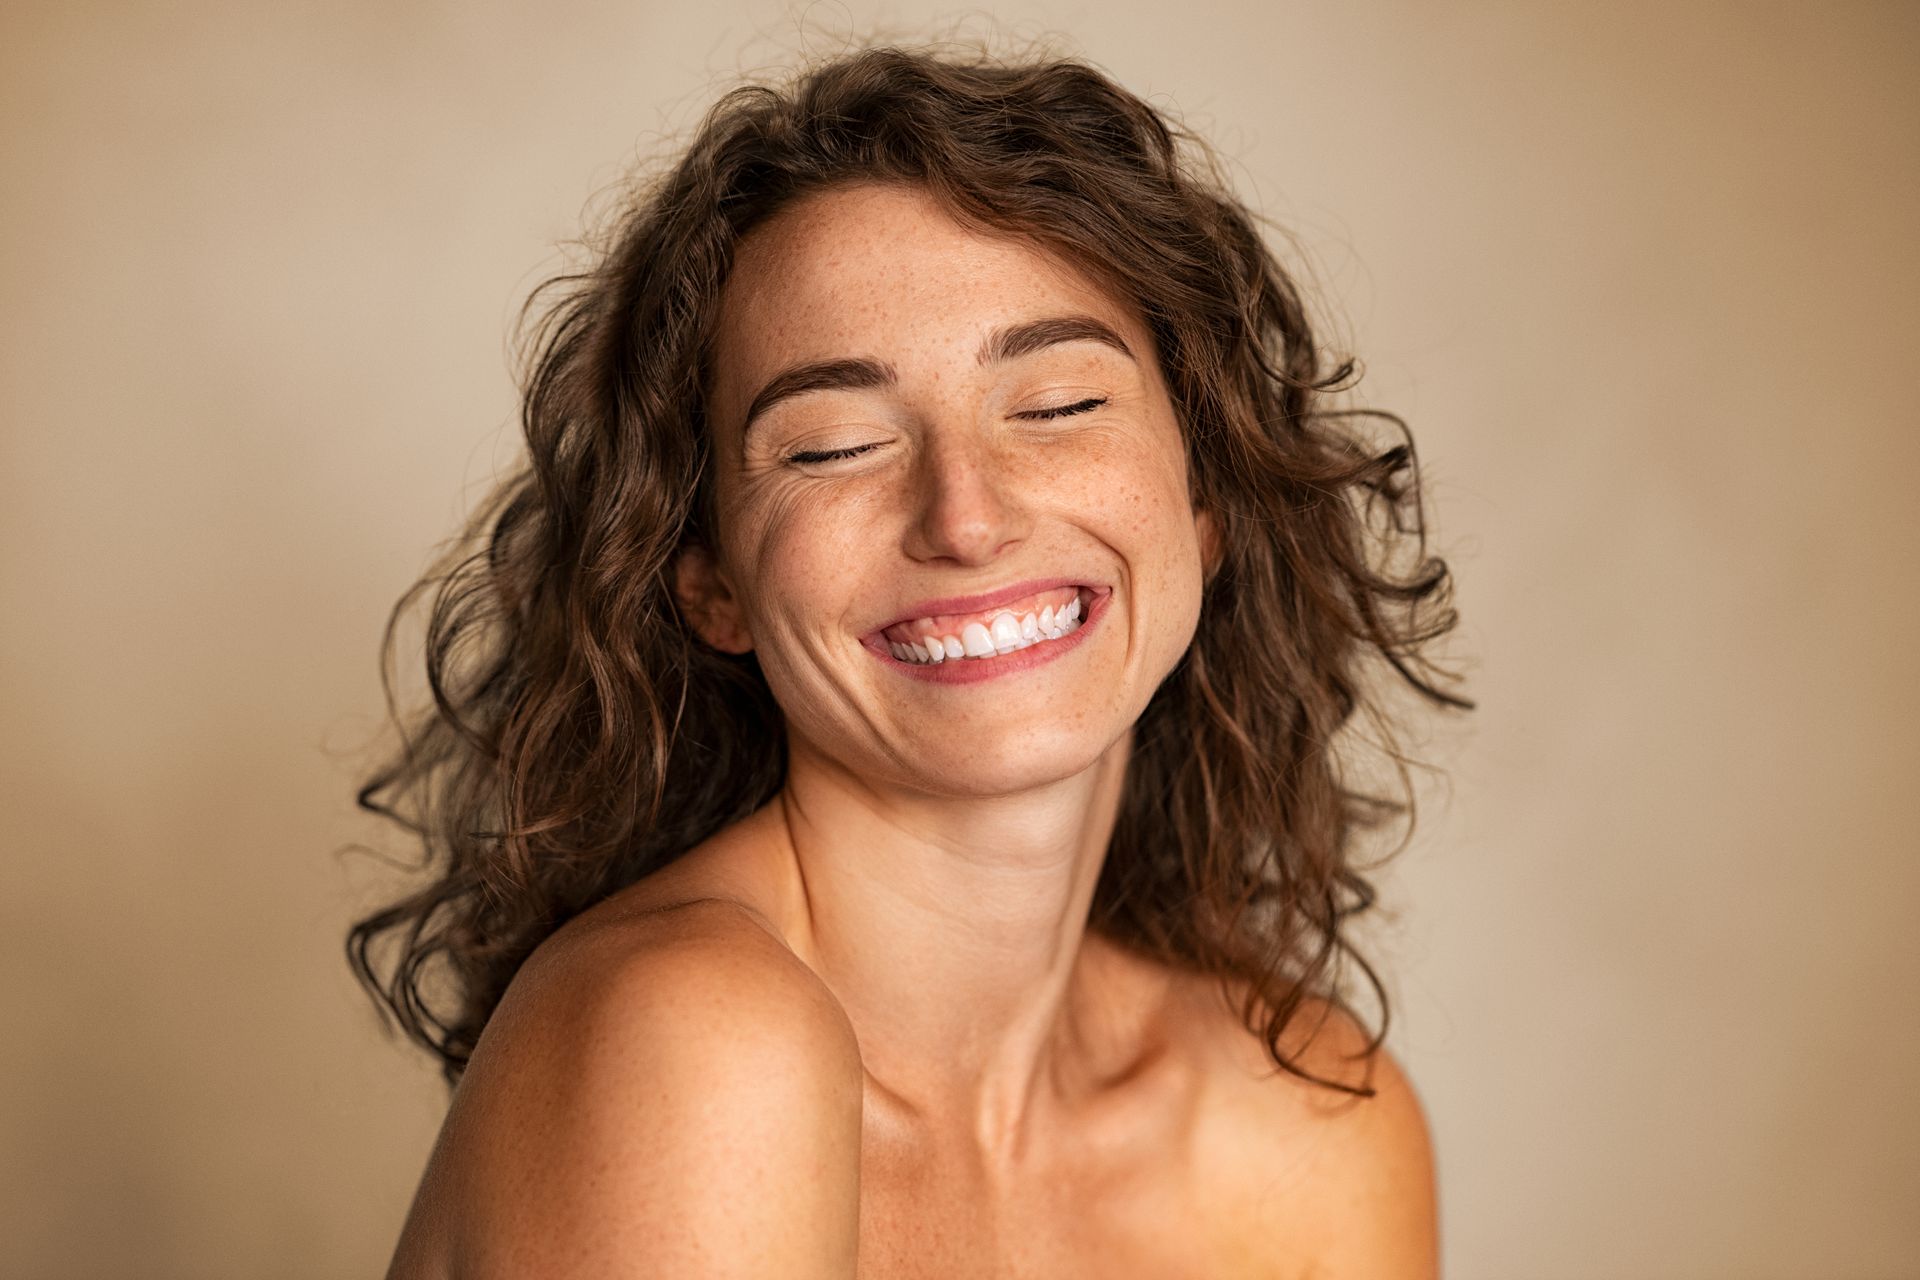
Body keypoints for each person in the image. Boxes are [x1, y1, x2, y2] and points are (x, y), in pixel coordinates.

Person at [348, 41, 1467, 1278]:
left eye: (1057, 406)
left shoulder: (1310, 1123)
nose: (966, 516)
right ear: (708, 579)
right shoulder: (694, 1037)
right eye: (832, 444)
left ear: (1205, 501)